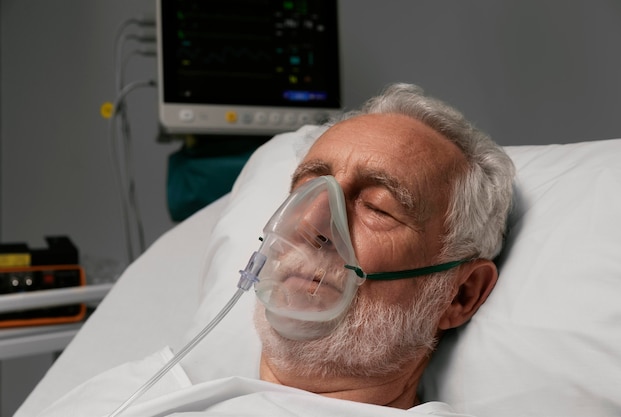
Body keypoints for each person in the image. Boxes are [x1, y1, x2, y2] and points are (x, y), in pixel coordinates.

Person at [37, 83, 515, 417]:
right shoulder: (134, 393)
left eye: (378, 207)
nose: (310, 223)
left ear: (460, 295)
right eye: (305, 190)